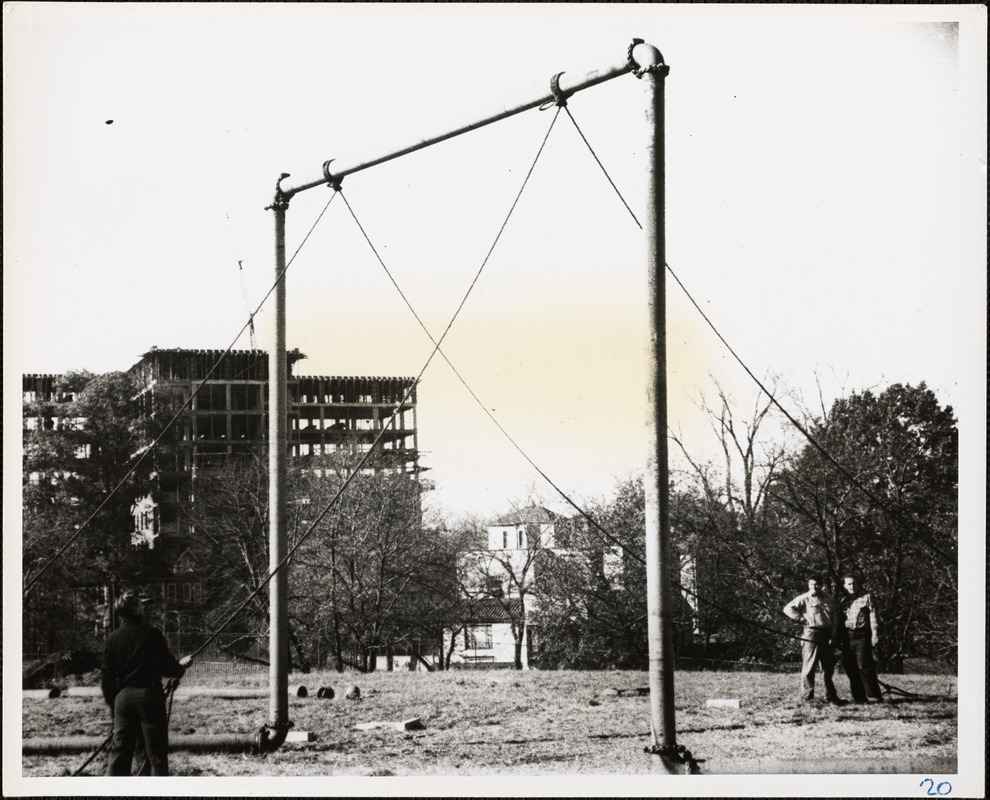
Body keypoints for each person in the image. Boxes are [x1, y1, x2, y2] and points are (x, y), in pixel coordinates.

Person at [100, 590, 192, 776]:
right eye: (141, 604)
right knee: (156, 751)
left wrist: (115, 704)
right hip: (149, 696)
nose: (144, 607)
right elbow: (169, 668)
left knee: (120, 752)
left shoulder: (112, 639)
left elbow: (107, 679)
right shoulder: (152, 634)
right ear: (134, 609)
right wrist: (181, 667)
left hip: (123, 699)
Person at [783, 574, 845, 705]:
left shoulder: (830, 600)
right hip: (811, 634)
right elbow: (788, 609)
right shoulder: (804, 598)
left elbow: (835, 620)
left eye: (816, 584)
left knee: (828, 668)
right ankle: (807, 697)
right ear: (808, 585)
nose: (814, 587)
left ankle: (831, 696)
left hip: (827, 635)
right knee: (809, 667)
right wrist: (801, 619)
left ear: (821, 585)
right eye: (811, 584)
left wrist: (834, 636)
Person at [837, 572, 884, 703]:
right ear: (845, 586)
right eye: (849, 584)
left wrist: (875, 635)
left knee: (864, 665)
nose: (852, 586)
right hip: (847, 637)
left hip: (862, 636)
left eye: (854, 583)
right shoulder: (843, 600)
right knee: (850, 668)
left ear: (858, 584)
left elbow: (873, 617)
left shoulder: (867, 597)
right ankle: (858, 697)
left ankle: (874, 696)